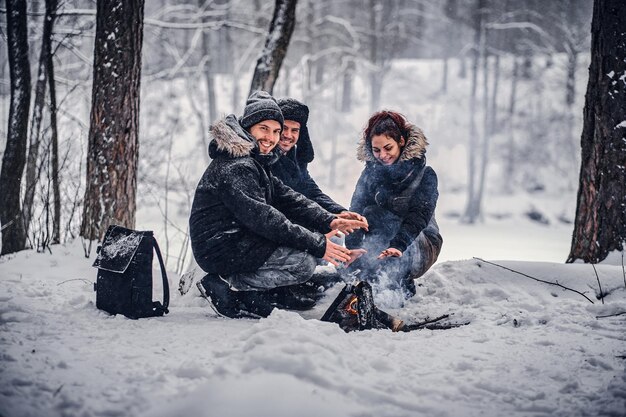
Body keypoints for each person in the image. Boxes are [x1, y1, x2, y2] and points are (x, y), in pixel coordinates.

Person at [189, 91, 368, 318]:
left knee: (309, 251)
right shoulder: (238, 168)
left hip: (237, 238)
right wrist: (317, 243)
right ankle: (229, 284)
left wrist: (331, 219)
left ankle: (258, 291)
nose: (271, 137)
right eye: (264, 129)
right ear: (249, 127)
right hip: (221, 247)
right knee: (303, 262)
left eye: (275, 131)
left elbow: (288, 197)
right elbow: (266, 219)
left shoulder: (254, 161)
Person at [344, 110, 443, 298]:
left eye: (388, 148)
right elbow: (355, 212)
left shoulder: (426, 175)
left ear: (401, 142)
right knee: (367, 220)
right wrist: (352, 249)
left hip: (418, 244)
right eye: (376, 150)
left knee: (378, 215)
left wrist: (399, 245)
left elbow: (419, 215)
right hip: (382, 245)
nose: (383, 155)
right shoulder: (369, 174)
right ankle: (377, 277)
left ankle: (399, 281)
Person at [273, 98, 365, 223]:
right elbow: (284, 201)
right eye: (284, 128)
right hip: (278, 224)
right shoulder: (266, 157)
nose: (288, 135)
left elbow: (311, 191)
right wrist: (326, 219)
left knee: (336, 235)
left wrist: (340, 212)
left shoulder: (295, 157)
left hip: (298, 219)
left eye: (294, 130)